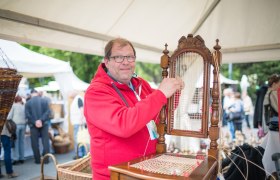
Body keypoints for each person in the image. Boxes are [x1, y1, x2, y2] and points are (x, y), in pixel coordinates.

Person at [84, 38, 184, 179]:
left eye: (130, 57)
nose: (126, 62)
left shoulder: (141, 84)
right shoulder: (96, 92)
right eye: (118, 57)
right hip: (116, 175)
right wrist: (161, 94)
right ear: (106, 61)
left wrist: (175, 91)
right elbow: (124, 125)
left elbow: (161, 115)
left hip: (145, 170)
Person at [25, 89, 51, 164]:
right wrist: (41, 120)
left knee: (34, 142)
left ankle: (37, 160)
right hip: (44, 123)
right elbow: (48, 112)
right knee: (45, 141)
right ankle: (46, 160)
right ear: (36, 93)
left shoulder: (28, 103)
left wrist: (36, 121)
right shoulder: (44, 100)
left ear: (31, 94)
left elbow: (27, 115)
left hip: (33, 125)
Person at [7, 95, 27, 165]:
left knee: (16, 142)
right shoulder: (23, 106)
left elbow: (9, 116)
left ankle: (16, 158)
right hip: (23, 125)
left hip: (16, 125)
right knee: (22, 142)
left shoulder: (13, 106)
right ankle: (22, 158)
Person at [69, 90, 86, 158]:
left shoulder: (78, 98)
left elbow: (82, 109)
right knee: (80, 138)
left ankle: (80, 154)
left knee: (78, 138)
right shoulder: (77, 99)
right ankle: (81, 154)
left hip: (78, 123)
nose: (69, 94)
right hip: (78, 122)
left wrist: (81, 119)